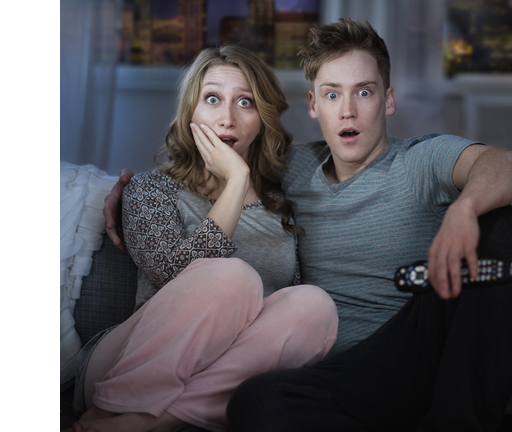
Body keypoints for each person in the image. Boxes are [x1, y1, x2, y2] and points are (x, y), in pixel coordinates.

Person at [104, 19, 512, 432]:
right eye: (332, 95)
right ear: (313, 105)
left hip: (417, 346)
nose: (348, 111)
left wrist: (465, 209)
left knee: (501, 224)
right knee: (256, 404)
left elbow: (505, 163)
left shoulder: (421, 160)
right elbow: (217, 177)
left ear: (388, 99)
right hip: (338, 376)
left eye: (364, 93)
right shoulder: (289, 173)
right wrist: (117, 193)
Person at [69, 45, 338, 432]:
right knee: (232, 276)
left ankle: (160, 421)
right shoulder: (149, 190)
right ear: (191, 111)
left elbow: (281, 323)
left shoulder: (283, 201)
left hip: (223, 377)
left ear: (261, 119)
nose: (227, 118)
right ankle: (120, 407)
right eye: (212, 99)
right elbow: (178, 280)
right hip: (131, 363)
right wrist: (235, 182)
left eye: (244, 102)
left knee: (315, 305)